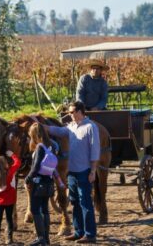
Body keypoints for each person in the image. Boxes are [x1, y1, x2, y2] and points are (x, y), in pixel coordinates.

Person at [47, 100, 100, 244]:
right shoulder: (71, 127)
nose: (69, 115)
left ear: (79, 111)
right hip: (72, 173)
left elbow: (95, 150)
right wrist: (40, 125)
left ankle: (90, 234)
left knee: (85, 202)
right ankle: (78, 232)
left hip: (85, 171)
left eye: (71, 112)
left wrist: (93, 171)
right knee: (75, 202)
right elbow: (57, 130)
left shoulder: (90, 127)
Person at [24, 123, 57, 246]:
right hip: (48, 182)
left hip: (38, 183)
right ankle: (46, 239)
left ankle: (41, 238)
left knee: (34, 209)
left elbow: (36, 166)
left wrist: (28, 178)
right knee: (45, 210)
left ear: (34, 135)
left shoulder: (39, 147)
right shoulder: (51, 146)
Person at [0, 150, 21, 244]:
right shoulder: (10, 172)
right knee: (9, 220)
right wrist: (12, 155)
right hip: (10, 201)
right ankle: (9, 239)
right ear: (5, 164)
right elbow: (18, 163)